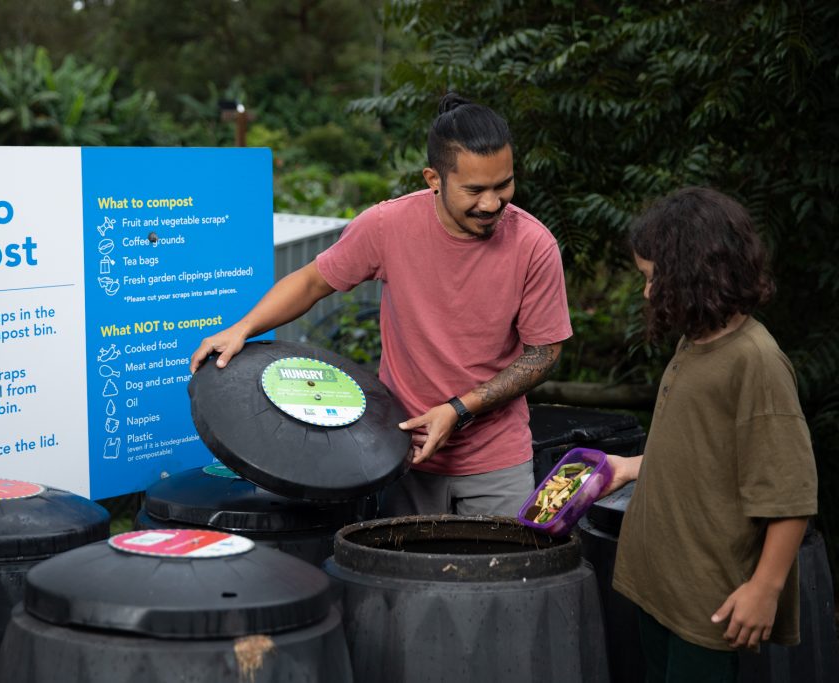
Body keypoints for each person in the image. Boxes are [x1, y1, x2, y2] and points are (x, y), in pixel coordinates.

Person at [190, 92, 572, 516]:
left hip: (497, 465)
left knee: (500, 579)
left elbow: (544, 352)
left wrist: (458, 410)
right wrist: (243, 328)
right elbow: (313, 281)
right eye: (475, 190)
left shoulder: (534, 245)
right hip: (399, 457)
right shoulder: (387, 225)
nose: (492, 204)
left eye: (504, 185)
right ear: (434, 179)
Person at [603, 187, 818, 682]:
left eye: (654, 278)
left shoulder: (756, 362)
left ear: (694, 273)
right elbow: (702, 450)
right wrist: (629, 467)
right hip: (658, 583)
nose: (648, 293)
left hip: (706, 602)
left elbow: (790, 494)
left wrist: (764, 588)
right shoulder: (695, 340)